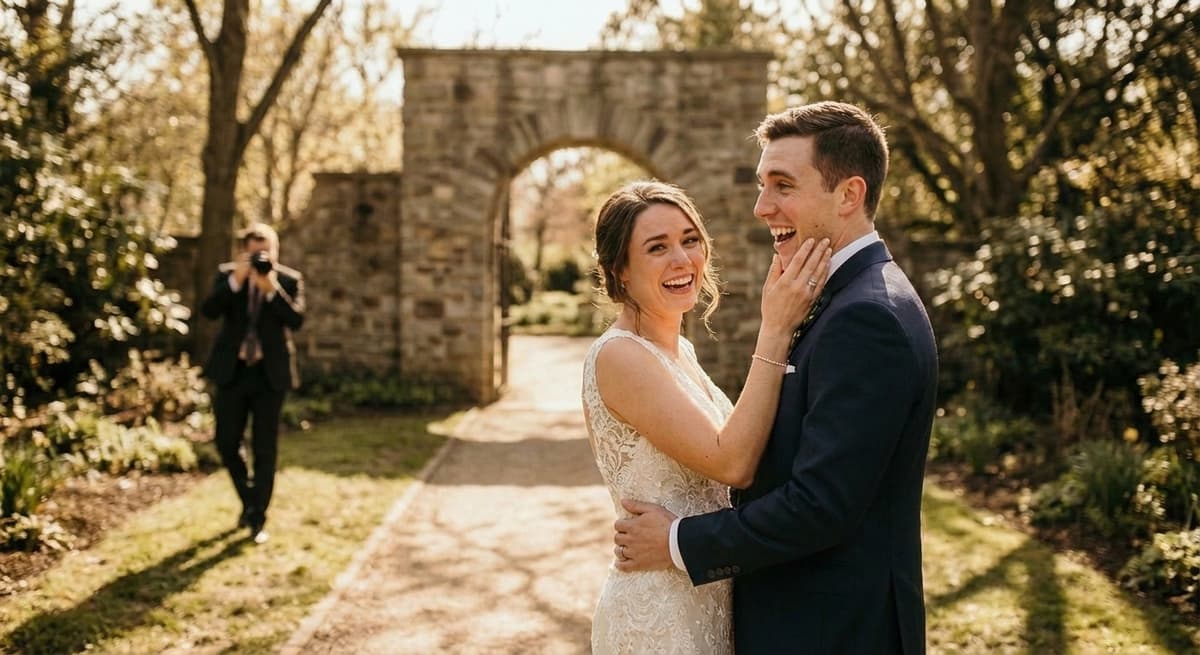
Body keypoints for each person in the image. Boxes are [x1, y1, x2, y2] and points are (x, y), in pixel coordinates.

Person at [613, 102, 939, 654]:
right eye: (763, 184)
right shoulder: (833, 296)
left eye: (783, 185)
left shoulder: (867, 316)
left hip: (833, 630)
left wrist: (675, 540)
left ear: (849, 195)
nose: (763, 207)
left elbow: (820, 506)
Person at [582, 180, 831, 654]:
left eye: (689, 239)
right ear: (621, 271)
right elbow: (732, 462)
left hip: (706, 594)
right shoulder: (620, 357)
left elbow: (747, 444)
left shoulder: (680, 353)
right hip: (658, 616)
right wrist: (775, 329)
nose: (682, 260)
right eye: (657, 247)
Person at [200, 223, 305, 545]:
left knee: (265, 449)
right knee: (226, 442)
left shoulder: (288, 280)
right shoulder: (227, 276)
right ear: (243, 250)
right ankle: (249, 500)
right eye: (254, 250)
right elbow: (209, 311)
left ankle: (258, 517)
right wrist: (238, 280)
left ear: (275, 251)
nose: (260, 256)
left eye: (266, 250)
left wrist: (269, 286)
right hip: (233, 372)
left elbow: (296, 321)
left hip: (269, 375)